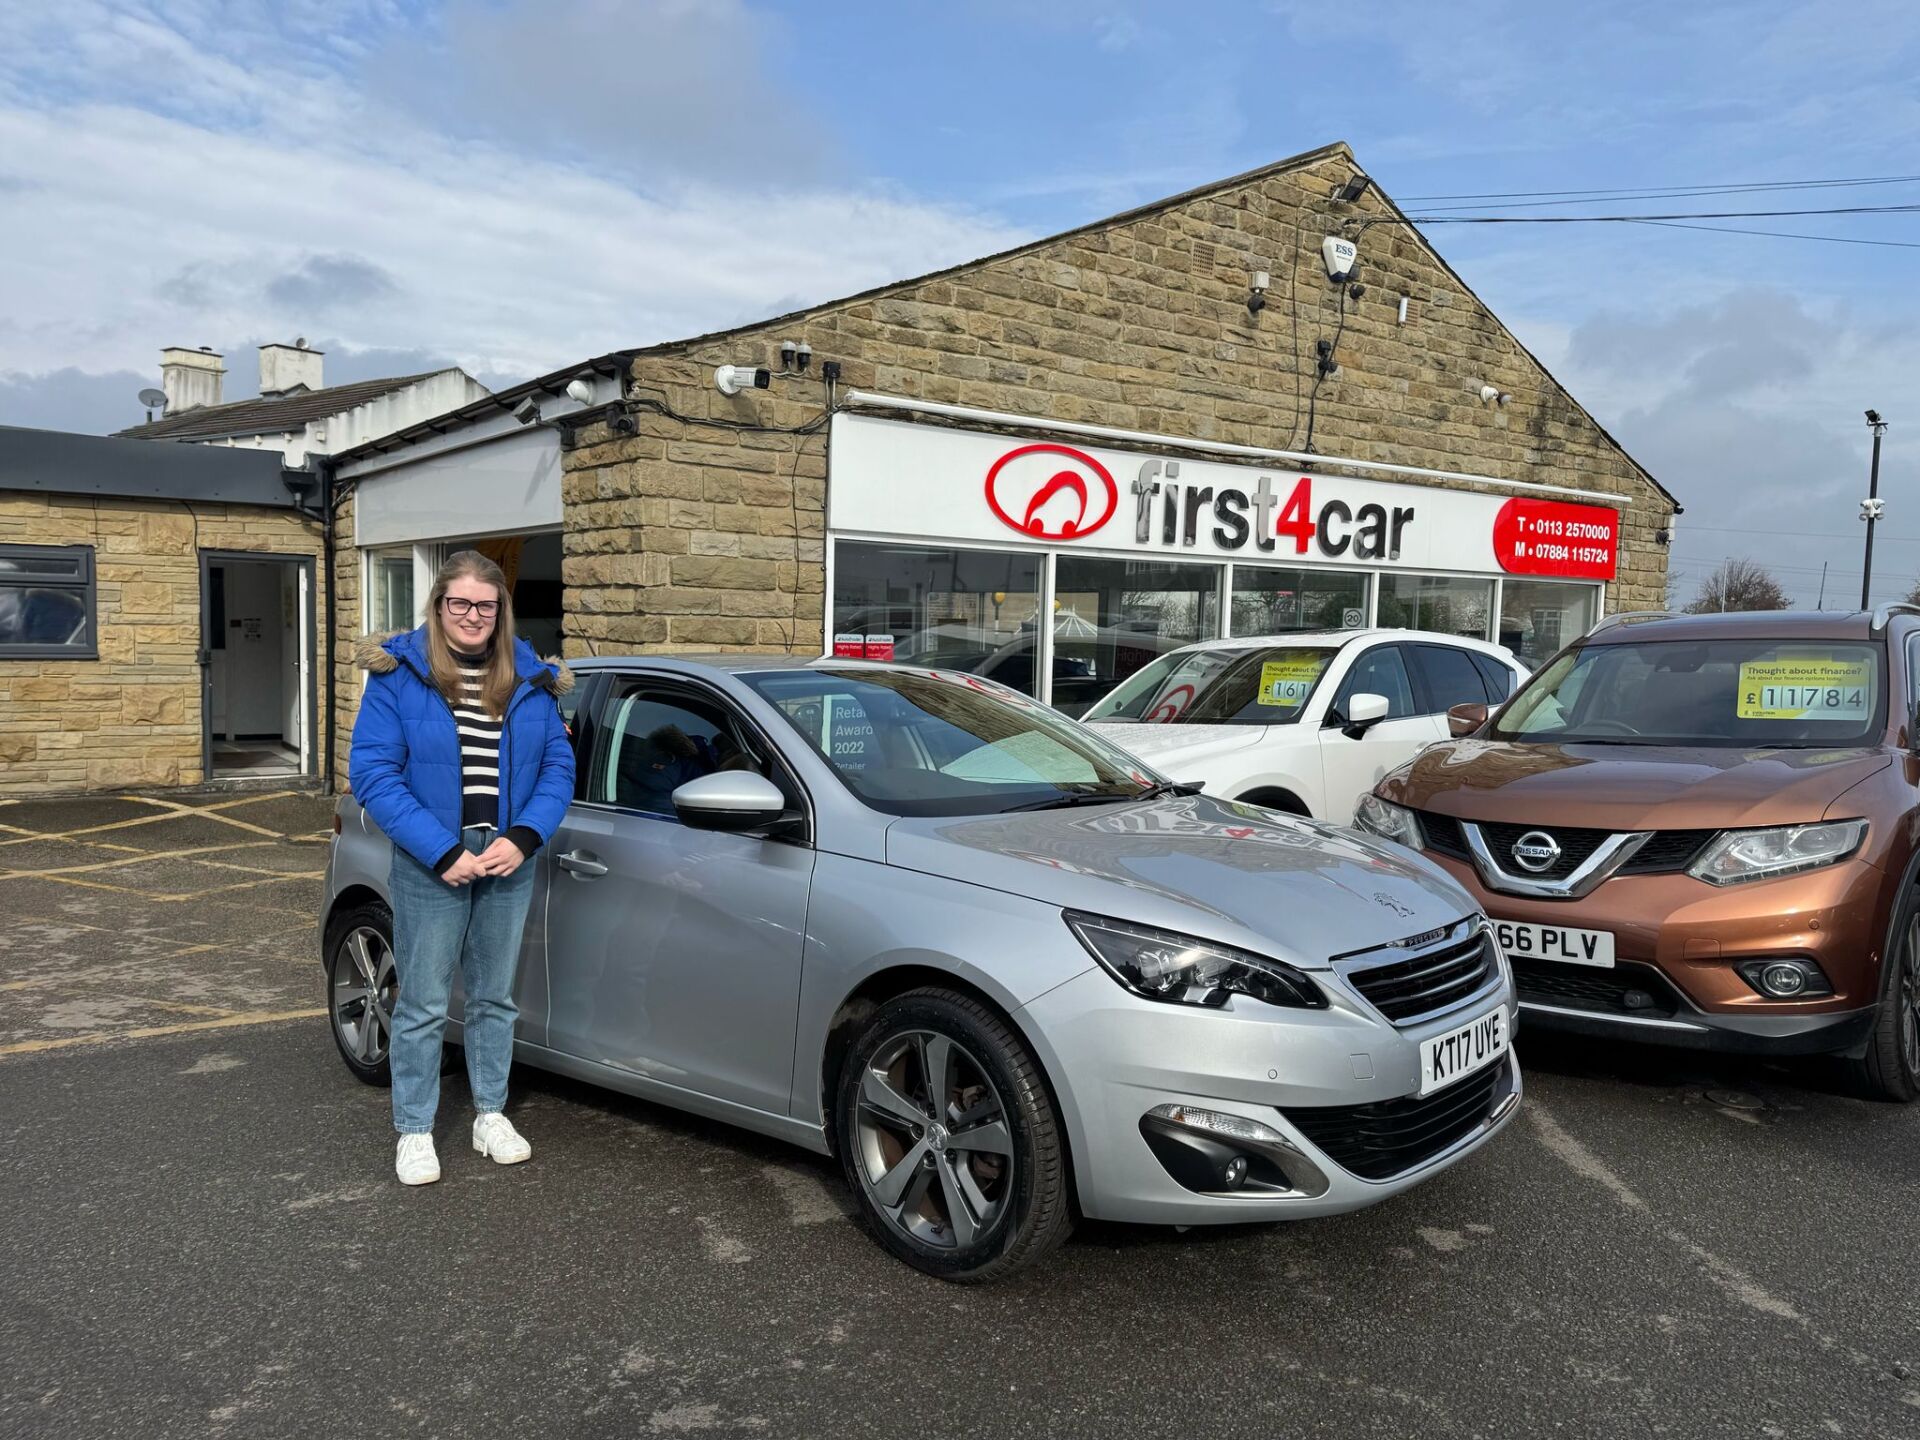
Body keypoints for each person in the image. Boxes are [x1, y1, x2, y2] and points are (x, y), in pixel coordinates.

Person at [349, 551, 575, 1186]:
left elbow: (559, 767)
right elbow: (372, 772)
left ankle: (489, 1115)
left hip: (507, 854)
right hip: (434, 859)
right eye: (460, 604)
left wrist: (525, 837)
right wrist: (442, 852)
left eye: (485, 605)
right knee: (421, 1002)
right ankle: (415, 1128)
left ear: (499, 610)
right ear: (439, 606)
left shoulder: (532, 677)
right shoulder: (400, 676)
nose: (473, 616)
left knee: (494, 998)